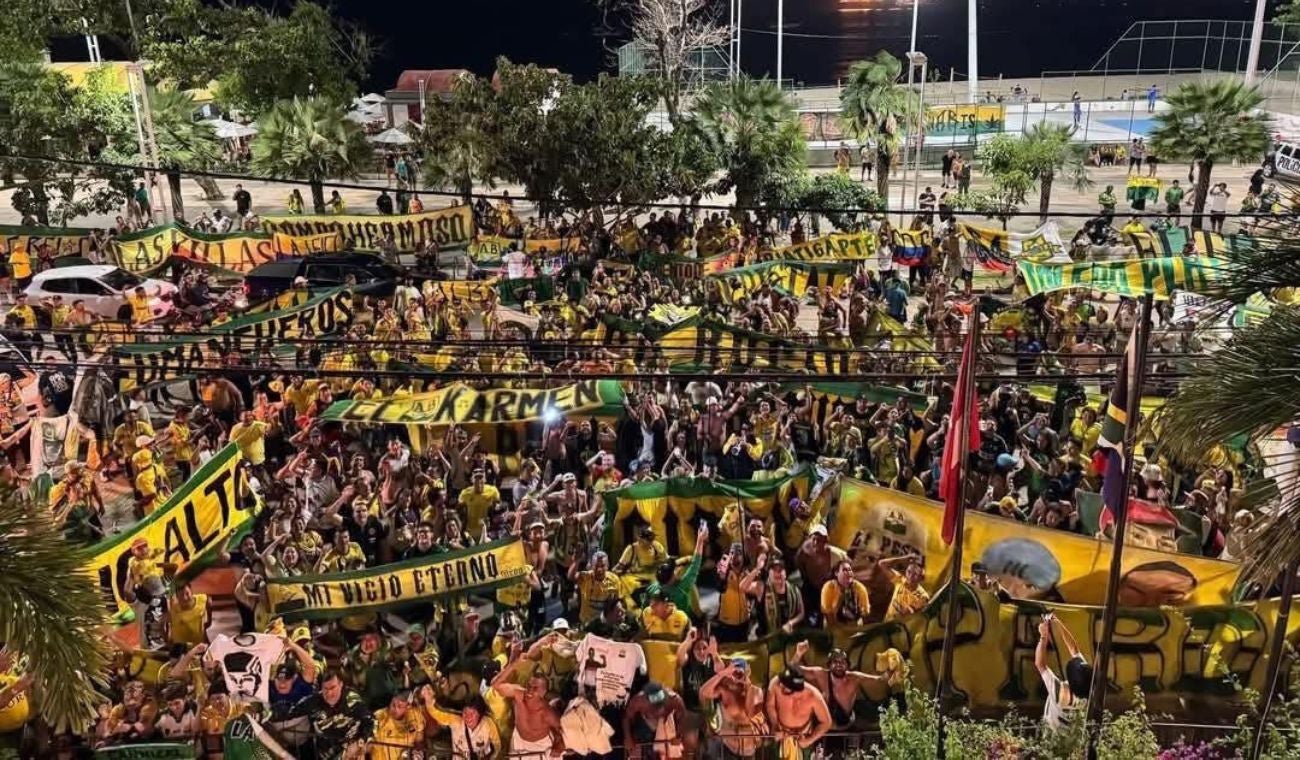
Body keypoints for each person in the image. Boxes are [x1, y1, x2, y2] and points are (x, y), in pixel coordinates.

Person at [788, 642, 886, 730]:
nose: (839, 665)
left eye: (842, 662)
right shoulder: (821, 675)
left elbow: (880, 680)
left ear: (847, 665)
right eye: (835, 662)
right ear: (829, 665)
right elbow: (793, 669)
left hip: (846, 724)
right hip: (825, 725)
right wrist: (798, 654)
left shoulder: (854, 678)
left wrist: (889, 673)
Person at [699, 658, 766, 759]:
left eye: (740, 673)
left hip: (747, 749)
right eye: (734, 672)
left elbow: (750, 713)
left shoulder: (756, 691)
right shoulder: (725, 690)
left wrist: (748, 686)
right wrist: (722, 674)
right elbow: (703, 693)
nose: (737, 676)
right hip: (727, 746)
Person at [1036, 614, 1092, 729]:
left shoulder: (1061, 693)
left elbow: (1040, 664)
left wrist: (1043, 636)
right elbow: (1074, 649)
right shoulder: (1086, 687)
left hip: (1054, 736)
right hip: (1073, 735)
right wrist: (1058, 622)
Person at [765, 668, 832, 758]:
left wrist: (809, 740)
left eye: (785, 685)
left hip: (803, 736)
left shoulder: (813, 695)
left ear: (796, 688)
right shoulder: (775, 684)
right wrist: (775, 725)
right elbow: (770, 705)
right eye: (782, 682)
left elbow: (826, 722)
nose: (781, 685)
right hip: (781, 735)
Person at [623, 681, 687, 760]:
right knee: (641, 749)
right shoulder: (639, 700)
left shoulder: (675, 699)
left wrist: (679, 735)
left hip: (666, 723)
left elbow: (683, 716)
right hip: (644, 723)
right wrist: (628, 737)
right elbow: (627, 717)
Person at [820, 558, 870, 628]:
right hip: (834, 625)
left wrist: (858, 610)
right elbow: (827, 612)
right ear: (836, 573)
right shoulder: (829, 587)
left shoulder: (859, 588)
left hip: (854, 625)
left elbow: (865, 611)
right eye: (845, 570)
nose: (849, 572)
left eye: (850, 570)